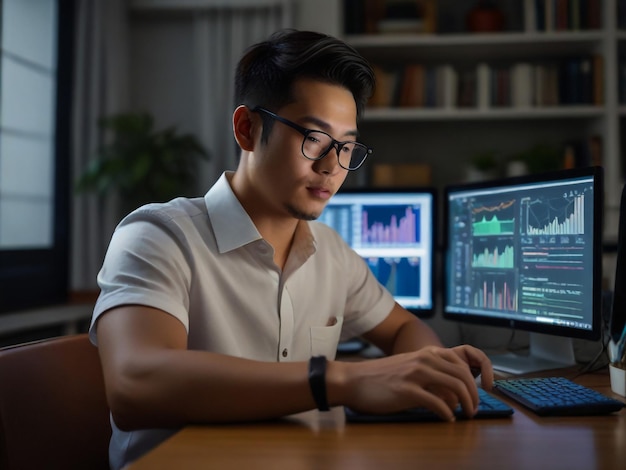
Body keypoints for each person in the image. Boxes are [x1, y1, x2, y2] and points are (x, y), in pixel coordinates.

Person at [90, 29, 493, 469]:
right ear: (247, 128)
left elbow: (401, 330)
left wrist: (431, 369)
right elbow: (134, 386)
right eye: (314, 138)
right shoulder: (158, 235)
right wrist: (340, 379)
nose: (331, 168)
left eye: (346, 147)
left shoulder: (332, 253)